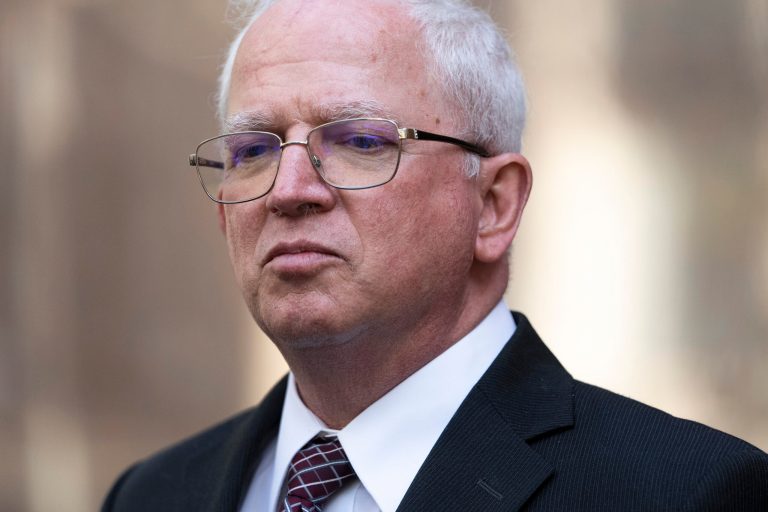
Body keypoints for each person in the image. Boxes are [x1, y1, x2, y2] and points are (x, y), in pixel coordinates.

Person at [102, 0, 768, 510]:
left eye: (360, 140)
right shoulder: (152, 494)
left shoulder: (682, 493)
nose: (290, 190)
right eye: (253, 152)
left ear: (494, 205)